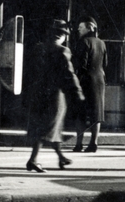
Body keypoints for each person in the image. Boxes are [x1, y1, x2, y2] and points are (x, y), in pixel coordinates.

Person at [25, 19, 83, 173]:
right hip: (55, 96)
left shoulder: (38, 48)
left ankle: (61, 157)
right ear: (62, 36)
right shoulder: (62, 51)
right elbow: (69, 75)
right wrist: (78, 94)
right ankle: (33, 160)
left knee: (52, 128)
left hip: (37, 93)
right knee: (48, 127)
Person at [70, 18, 106, 153]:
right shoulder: (102, 43)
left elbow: (80, 64)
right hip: (99, 80)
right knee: (97, 112)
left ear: (89, 28)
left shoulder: (82, 42)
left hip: (85, 80)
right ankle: (93, 143)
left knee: (81, 112)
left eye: (81, 27)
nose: (78, 29)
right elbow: (105, 63)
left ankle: (79, 144)